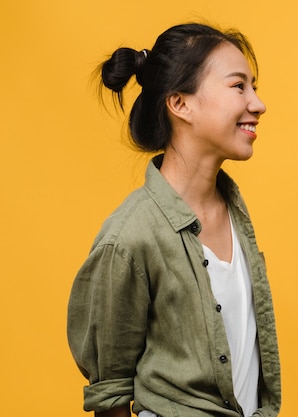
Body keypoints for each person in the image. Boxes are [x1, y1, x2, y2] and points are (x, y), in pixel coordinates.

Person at [67, 23, 281, 417]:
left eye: (254, 86)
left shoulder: (233, 209)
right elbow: (109, 394)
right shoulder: (129, 237)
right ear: (180, 103)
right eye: (239, 86)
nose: (258, 103)